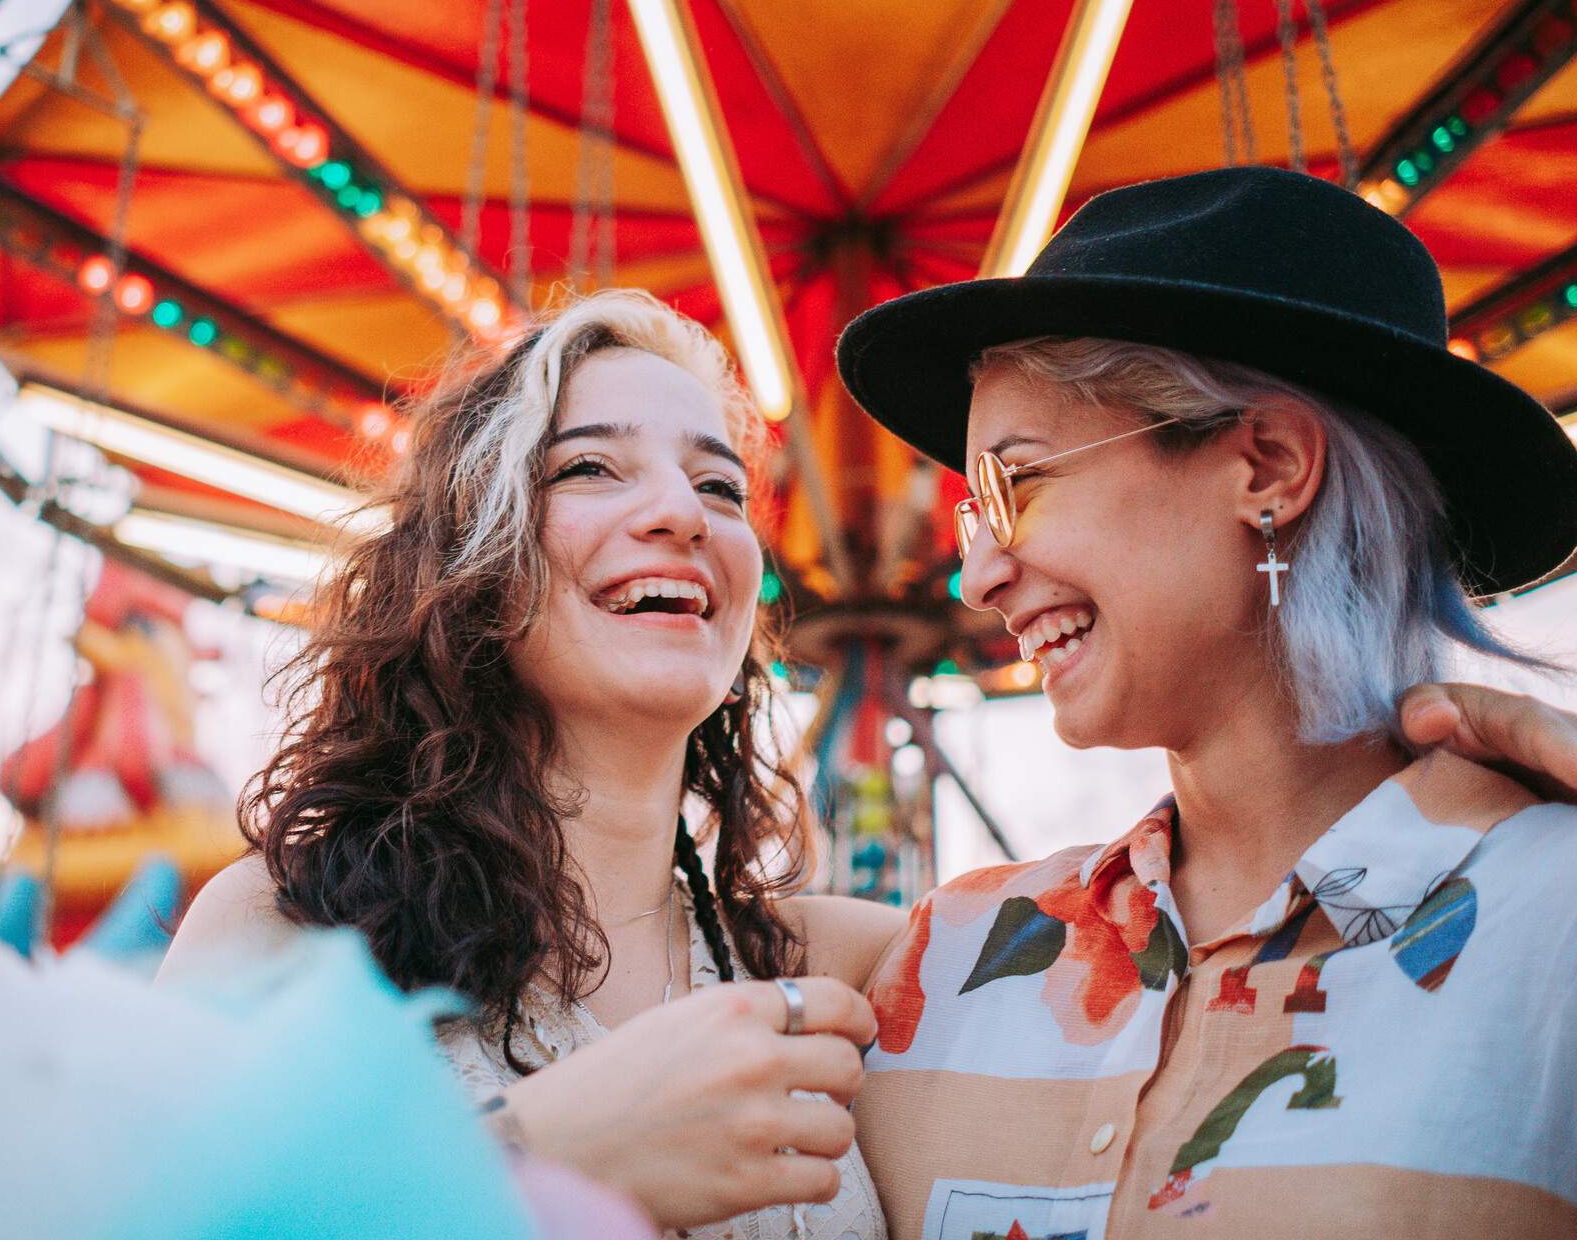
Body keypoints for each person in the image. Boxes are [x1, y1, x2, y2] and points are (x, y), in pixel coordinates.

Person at [166, 281, 1577, 1234]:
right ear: (469, 553)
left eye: (720, 485)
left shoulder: (868, 972)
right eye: (590, 468)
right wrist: (534, 1173)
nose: (681, 513)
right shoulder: (291, 933)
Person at [833, 165, 1577, 1238]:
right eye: (968, 517)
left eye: (1015, 485)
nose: (977, 577)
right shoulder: (945, 955)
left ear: (1268, 468)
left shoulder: (1549, 922)